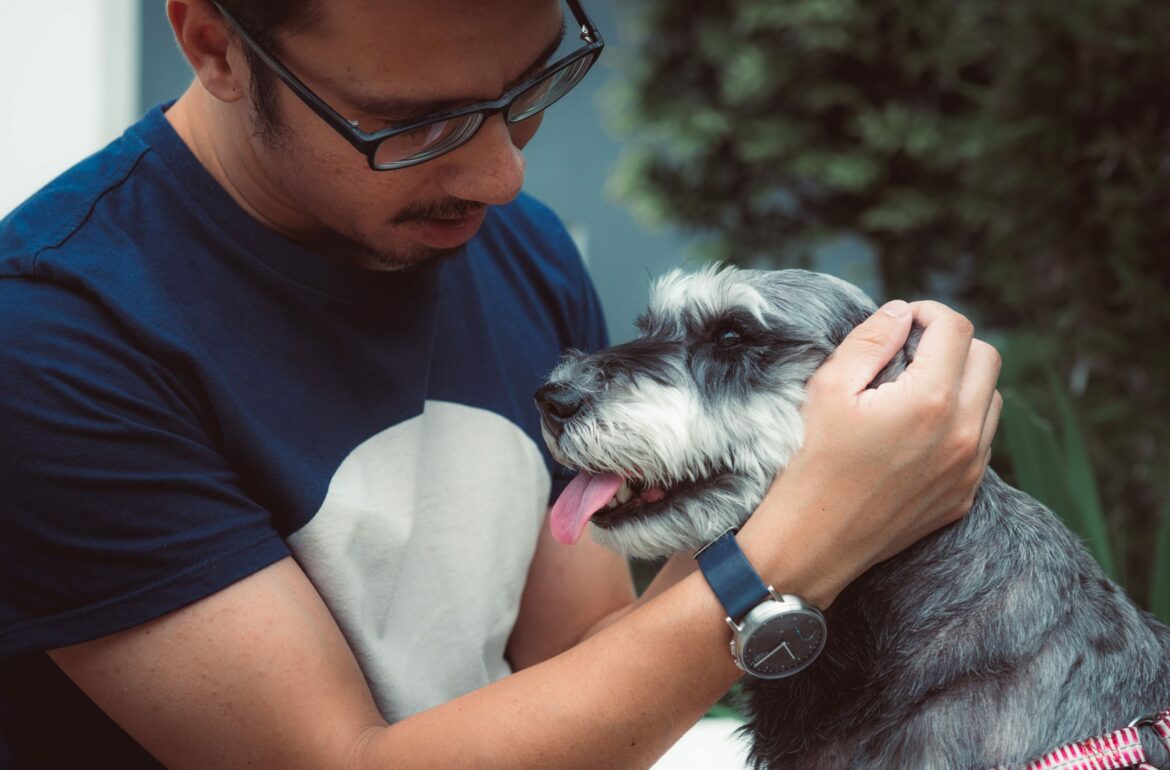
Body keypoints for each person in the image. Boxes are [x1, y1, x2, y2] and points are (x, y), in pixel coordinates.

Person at [0, 0, 1002, 766]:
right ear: (214, 43)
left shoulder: (502, 243)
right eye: (416, 125)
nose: (499, 176)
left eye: (529, 88)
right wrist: (803, 544)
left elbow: (600, 664)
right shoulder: (52, 338)